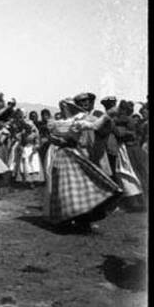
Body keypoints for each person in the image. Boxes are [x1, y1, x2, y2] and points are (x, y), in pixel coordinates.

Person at [43, 97, 123, 232]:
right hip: (68, 156)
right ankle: (70, 220)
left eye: (66, 107)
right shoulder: (64, 122)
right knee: (68, 189)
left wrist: (107, 116)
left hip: (70, 156)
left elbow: (95, 126)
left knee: (77, 188)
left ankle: (79, 221)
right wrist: (108, 115)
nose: (65, 109)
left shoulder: (75, 121)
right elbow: (94, 126)